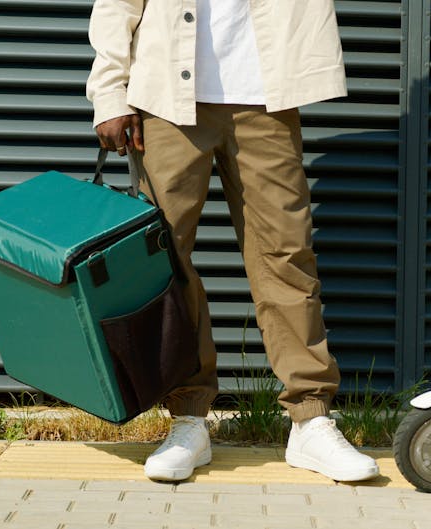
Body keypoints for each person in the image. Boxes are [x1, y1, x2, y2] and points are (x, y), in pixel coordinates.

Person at [86, 0, 379, 483]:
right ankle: (188, 418)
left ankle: (310, 418)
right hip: (166, 92)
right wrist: (110, 92)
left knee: (286, 255)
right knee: (165, 260)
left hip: (267, 91)